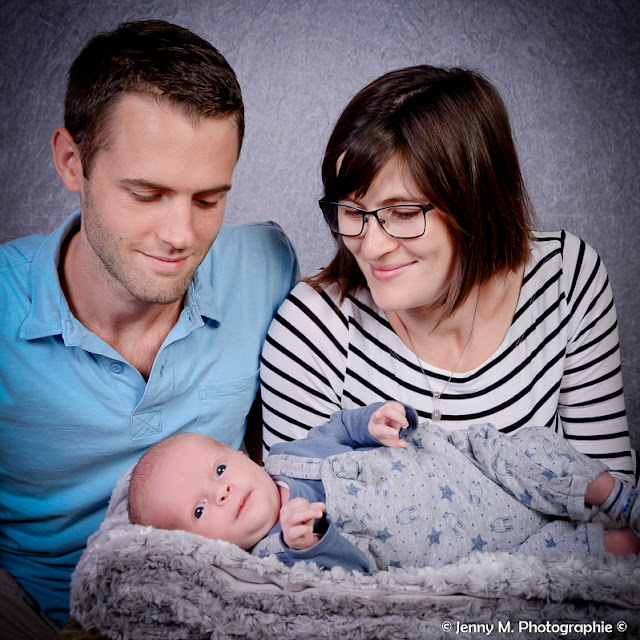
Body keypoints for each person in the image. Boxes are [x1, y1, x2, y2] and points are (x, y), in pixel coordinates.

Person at [0, 20, 298, 633]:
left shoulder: (266, 266)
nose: (181, 236)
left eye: (209, 199)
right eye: (146, 193)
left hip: (218, 606)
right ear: (71, 162)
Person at [260, 65, 635, 483]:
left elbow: (613, 495)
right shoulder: (310, 329)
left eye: (402, 213)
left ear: (476, 203)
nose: (371, 246)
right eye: (352, 212)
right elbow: (297, 523)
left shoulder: (567, 278)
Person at [128, 401, 640, 574]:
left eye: (219, 471)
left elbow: (342, 428)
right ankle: (618, 543)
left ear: (239, 454)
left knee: (528, 448)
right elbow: (351, 579)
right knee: (571, 561)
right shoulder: (275, 559)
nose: (220, 493)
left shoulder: (291, 453)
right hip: (483, 552)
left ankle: (620, 499)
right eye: (199, 512)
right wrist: (308, 546)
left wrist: (375, 420)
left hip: (472, 468)